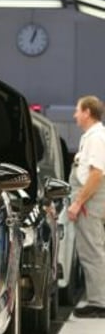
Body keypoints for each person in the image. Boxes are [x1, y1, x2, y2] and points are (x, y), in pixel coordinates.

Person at [67, 95, 105, 317]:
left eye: (77, 110)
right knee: (93, 247)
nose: (75, 115)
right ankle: (98, 298)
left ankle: (99, 302)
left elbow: (96, 174)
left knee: (92, 249)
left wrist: (78, 202)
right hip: (91, 197)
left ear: (87, 113)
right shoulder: (91, 137)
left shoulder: (96, 138)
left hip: (92, 198)